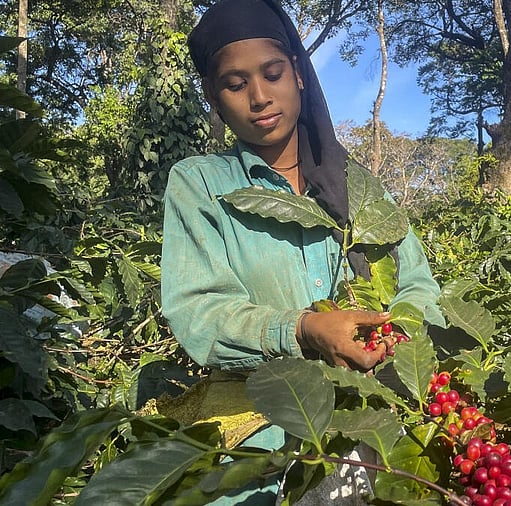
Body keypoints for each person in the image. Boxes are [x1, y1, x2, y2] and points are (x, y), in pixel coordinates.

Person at [159, 0, 445, 503]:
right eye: (235, 83)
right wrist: (304, 330)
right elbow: (198, 312)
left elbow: (419, 287)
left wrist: (395, 334)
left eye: (273, 73)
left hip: (370, 438)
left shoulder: (360, 189)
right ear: (215, 97)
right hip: (261, 451)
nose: (260, 97)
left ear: (300, 76)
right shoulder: (200, 184)